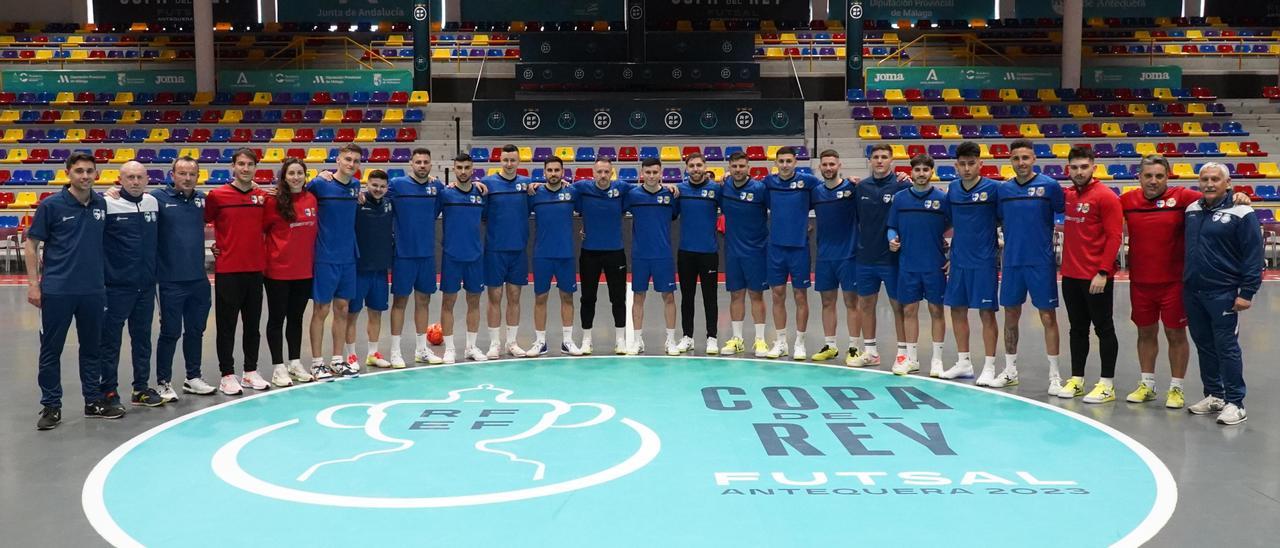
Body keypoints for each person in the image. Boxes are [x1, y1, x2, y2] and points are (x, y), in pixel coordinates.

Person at [1117, 155, 1252, 408]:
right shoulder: (1126, 201)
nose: (1154, 180)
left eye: (1159, 175)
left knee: (1175, 334)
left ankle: (1176, 388)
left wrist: (1239, 194)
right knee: (1145, 332)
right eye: (1148, 175)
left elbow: (1215, 195)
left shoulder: (1185, 198)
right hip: (1141, 283)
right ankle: (1147, 384)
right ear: (1139, 177)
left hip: (1176, 283)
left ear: (1168, 176)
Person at [26, 152, 117, 430]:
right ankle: (51, 406)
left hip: (92, 291)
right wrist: (34, 285)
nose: (85, 176)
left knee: (92, 349)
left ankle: (92, 401)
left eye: (90, 171)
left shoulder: (101, 203)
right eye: (79, 171)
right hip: (57, 291)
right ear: (68, 173)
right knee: (51, 350)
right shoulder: (51, 205)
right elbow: (32, 246)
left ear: (97, 174)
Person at [1183, 162, 1261, 426]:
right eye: (1204, 178)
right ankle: (1214, 394)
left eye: (1216, 179)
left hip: (1224, 292)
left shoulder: (1242, 211)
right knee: (1204, 345)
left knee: (1227, 347)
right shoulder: (1192, 210)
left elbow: (1254, 255)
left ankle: (1236, 403)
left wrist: (1247, 291)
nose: (1209, 183)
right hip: (1194, 291)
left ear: (1228, 183)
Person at [998, 139, 1065, 394]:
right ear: (1010, 161)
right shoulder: (1003, 190)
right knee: (1010, 316)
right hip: (1013, 262)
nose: (1021, 163)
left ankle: (1055, 375)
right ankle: (1010, 370)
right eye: (1016, 158)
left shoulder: (1049, 186)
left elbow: (1061, 214)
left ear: (1034, 159)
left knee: (1048, 317)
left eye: (1025, 158)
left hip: (1041, 262)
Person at [1057, 146, 1123, 403]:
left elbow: (1115, 236)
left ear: (1094, 167)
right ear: (1069, 169)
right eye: (1074, 167)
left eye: (1084, 167)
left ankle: (1107, 384)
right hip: (1071, 276)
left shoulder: (1106, 196)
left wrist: (1103, 271)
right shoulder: (1069, 195)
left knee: (1104, 328)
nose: (1079, 171)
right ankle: (1077, 379)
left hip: (1096, 277)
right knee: (1077, 329)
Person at [99, 161, 163, 407]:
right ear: (120, 179)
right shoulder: (106, 203)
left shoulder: (153, 203)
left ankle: (141, 389)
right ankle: (109, 392)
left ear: (147, 179)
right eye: (130, 177)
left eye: (139, 177)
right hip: (115, 288)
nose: (135, 182)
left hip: (145, 287)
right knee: (110, 341)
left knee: (142, 339)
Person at [205, 148, 268, 395]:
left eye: (250, 164)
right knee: (227, 325)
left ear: (255, 167)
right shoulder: (217, 196)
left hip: (255, 271)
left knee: (252, 325)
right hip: (228, 271)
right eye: (241, 164)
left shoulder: (263, 197)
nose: (245, 168)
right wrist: (215, 245)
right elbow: (202, 221)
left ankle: (250, 372)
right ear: (233, 166)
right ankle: (226, 374)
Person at [152, 156, 216, 399]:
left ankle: (193, 377)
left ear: (198, 176)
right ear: (172, 175)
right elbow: (131, 200)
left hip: (198, 279)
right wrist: (115, 191)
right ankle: (163, 382)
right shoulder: (157, 198)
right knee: (170, 332)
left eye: (192, 174)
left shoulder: (202, 200)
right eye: (182, 173)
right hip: (169, 280)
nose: (187, 178)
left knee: (196, 330)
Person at [939, 142, 1001, 383]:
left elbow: (1003, 219)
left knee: (986, 313)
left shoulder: (995, 189)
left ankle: (989, 366)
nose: (966, 168)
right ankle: (963, 362)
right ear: (956, 166)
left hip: (984, 261)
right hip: (958, 261)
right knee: (957, 310)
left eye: (971, 163)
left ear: (980, 164)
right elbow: (947, 222)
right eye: (962, 164)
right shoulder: (952, 189)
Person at [886, 155, 949, 377]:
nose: (921, 173)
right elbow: (892, 227)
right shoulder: (900, 199)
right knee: (909, 310)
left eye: (925, 169)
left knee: (936, 310)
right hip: (908, 265)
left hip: (935, 265)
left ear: (931, 172)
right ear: (911, 173)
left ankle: (937, 360)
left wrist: (952, 253)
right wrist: (892, 239)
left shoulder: (943, 199)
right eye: (917, 170)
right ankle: (911, 359)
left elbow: (953, 228)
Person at [851, 144, 911, 366]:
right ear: (870, 160)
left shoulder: (902, 186)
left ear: (891, 161)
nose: (879, 160)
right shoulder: (861, 187)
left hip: (892, 258)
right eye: (875, 157)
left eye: (884, 157)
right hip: (865, 256)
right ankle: (871, 352)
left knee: (899, 305)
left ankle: (903, 352)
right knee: (866, 304)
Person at [262, 158, 319, 384]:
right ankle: (278, 366)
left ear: (305, 176)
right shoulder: (272, 201)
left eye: (300, 173)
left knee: (296, 319)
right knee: (276, 319)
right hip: (277, 271)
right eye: (291, 173)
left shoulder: (312, 199)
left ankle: (294, 362)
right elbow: (261, 231)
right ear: (284, 177)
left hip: (303, 271)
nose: (296, 177)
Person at [387, 148, 445, 366]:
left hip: (426, 255)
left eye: (426, 162)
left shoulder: (436, 187)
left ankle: (421, 349)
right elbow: (375, 197)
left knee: (424, 301)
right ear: (411, 164)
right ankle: (395, 351)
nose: (422, 165)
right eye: (418, 162)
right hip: (403, 254)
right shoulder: (397, 185)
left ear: (431, 165)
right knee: (400, 302)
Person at [309, 143, 362, 377]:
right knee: (321, 309)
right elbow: (296, 191)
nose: (351, 164)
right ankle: (317, 362)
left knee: (343, 308)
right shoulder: (321, 184)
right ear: (338, 160)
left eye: (356, 161)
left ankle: (338, 359)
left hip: (348, 257)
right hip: (325, 257)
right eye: (347, 159)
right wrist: (317, 173)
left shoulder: (355, 186)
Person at [762, 147, 820, 359]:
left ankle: (800, 343)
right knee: (777, 294)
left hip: (799, 248)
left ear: (795, 162)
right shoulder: (769, 183)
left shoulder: (809, 182)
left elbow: (828, 190)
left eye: (788, 161)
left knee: (800, 295)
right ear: (776, 163)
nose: (785, 165)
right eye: (781, 161)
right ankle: (781, 341)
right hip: (776, 248)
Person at [526, 157, 583, 356]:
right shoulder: (535, 193)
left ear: (563, 172)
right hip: (542, 254)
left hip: (565, 254)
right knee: (540, 297)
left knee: (567, 297)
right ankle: (540, 342)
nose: (553, 173)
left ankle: (567, 341)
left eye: (556, 170)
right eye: (549, 170)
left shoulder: (572, 192)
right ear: (544, 172)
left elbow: (588, 209)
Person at [809, 150, 861, 363]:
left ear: (839, 165)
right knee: (827, 302)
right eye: (825, 165)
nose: (828, 168)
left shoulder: (852, 188)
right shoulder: (816, 192)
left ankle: (854, 348)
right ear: (820, 167)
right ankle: (830, 345)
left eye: (832, 164)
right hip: (824, 256)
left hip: (849, 255)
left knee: (851, 302)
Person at [574, 157, 629, 354]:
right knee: (588, 297)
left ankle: (621, 339)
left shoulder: (623, 188)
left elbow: (647, 189)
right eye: (599, 172)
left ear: (612, 172)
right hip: (590, 252)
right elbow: (560, 188)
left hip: (615, 252)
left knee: (618, 298)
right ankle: (587, 339)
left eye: (607, 172)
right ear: (593, 172)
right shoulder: (581, 188)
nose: (603, 176)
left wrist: (672, 188)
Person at [481, 144, 533, 358]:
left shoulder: (527, 185)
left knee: (514, 296)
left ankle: (512, 342)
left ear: (519, 161)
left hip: (518, 250)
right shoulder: (487, 184)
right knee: (495, 296)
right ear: (499, 161)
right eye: (505, 160)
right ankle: (495, 344)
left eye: (513, 160)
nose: (509, 164)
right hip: (494, 250)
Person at [717, 152, 771, 357]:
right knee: (736, 294)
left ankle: (760, 340)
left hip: (756, 251)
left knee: (756, 295)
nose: (738, 170)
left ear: (748, 167)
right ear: (729, 167)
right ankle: (737, 339)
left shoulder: (760, 189)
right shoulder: (724, 188)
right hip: (733, 251)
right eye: (734, 166)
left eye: (742, 166)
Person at [626, 158, 680, 355]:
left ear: (661, 173)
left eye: (655, 172)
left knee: (669, 297)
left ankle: (671, 340)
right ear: (642, 173)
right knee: (638, 297)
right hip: (640, 255)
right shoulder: (632, 195)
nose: (651, 176)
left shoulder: (670, 194)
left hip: (663, 255)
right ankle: (637, 340)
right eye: (647, 172)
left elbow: (675, 214)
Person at [438, 153, 490, 363]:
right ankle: (450, 348)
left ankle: (471, 346)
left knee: (474, 302)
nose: (462, 171)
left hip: (475, 256)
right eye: (459, 167)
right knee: (448, 302)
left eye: (467, 167)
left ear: (472, 169)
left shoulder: (481, 194)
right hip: (451, 256)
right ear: (453, 168)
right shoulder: (445, 194)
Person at [673, 152, 723, 355]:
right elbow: (672, 213)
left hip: (708, 252)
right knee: (687, 297)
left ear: (705, 166)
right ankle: (687, 337)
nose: (695, 169)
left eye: (699, 165)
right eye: (691, 165)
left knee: (710, 297)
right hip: (686, 252)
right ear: (686, 168)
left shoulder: (716, 190)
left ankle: (712, 337)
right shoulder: (679, 190)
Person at [347, 170, 395, 368]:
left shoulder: (390, 203)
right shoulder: (357, 202)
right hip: (359, 269)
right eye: (374, 185)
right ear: (367, 185)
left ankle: (373, 353)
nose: (378, 189)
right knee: (352, 313)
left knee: (376, 312)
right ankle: (350, 355)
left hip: (380, 269)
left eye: (382, 186)